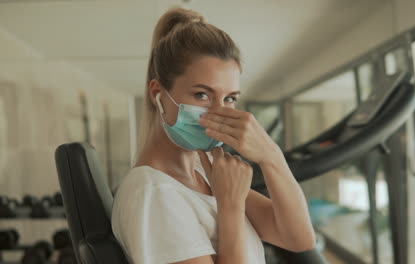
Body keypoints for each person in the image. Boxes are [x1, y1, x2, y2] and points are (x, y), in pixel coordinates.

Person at [111, 7, 316, 264]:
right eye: (202, 95)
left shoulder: (204, 172)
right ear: (157, 93)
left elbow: (299, 239)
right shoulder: (154, 193)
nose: (219, 112)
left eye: (229, 98)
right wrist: (230, 208)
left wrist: (271, 156)